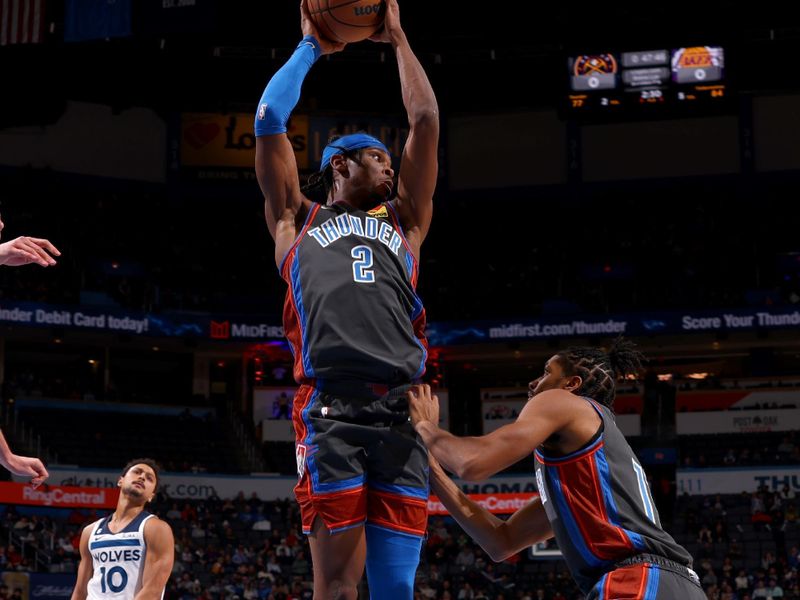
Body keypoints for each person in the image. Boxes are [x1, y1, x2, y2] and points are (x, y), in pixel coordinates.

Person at [253, 0, 438, 597]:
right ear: (340, 165)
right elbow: (268, 117)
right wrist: (312, 44)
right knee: (334, 585)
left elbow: (427, 121)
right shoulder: (293, 219)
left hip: (400, 411)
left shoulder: (405, 220)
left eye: (391, 159)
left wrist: (399, 38)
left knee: (396, 588)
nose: (390, 168)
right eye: (378, 158)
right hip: (329, 409)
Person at [408, 339, 705, 599]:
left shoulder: (562, 401)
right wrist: (433, 470)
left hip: (638, 580)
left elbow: (473, 462)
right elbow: (501, 542)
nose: (534, 383)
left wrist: (425, 427)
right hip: (679, 585)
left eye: (546, 372)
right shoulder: (587, 476)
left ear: (571, 384)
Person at [70, 459, 174, 600]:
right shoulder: (90, 531)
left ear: (151, 496)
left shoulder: (156, 528)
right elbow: (80, 591)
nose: (142, 477)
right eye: (137, 472)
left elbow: (152, 591)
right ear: (120, 480)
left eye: (149, 478)